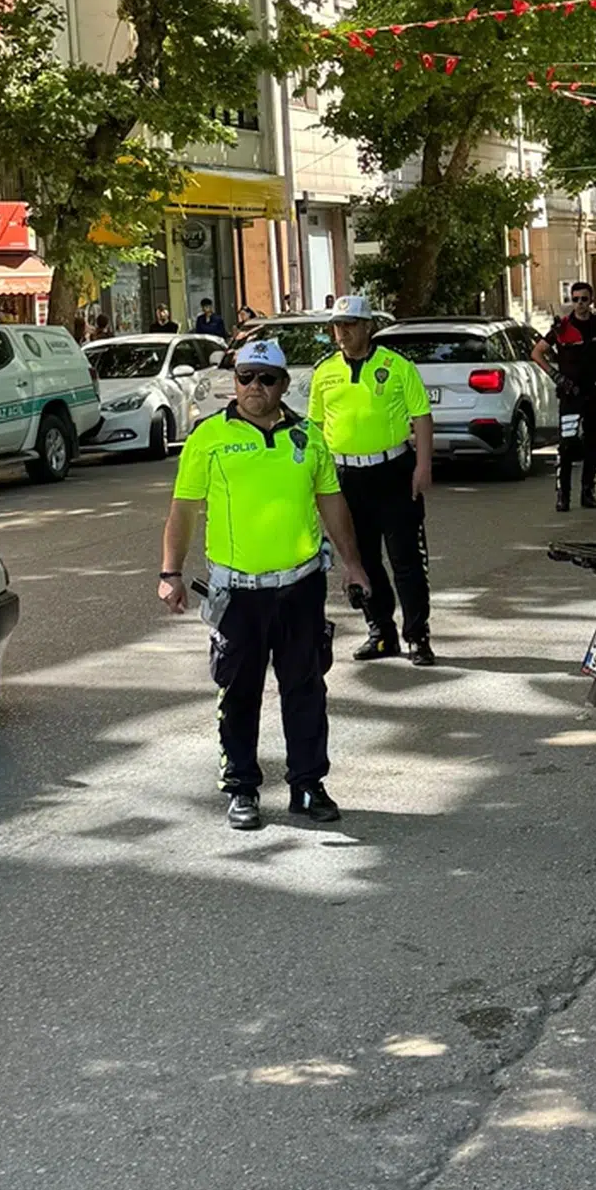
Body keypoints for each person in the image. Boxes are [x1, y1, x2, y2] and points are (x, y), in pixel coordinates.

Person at [158, 338, 370, 831]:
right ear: (234, 382)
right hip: (237, 592)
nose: (255, 386)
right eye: (245, 376)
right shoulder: (208, 438)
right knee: (237, 691)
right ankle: (242, 788)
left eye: (266, 378)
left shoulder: (309, 437)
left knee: (305, 688)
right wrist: (170, 572)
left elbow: (332, 503)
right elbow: (183, 510)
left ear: (283, 385)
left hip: (300, 586)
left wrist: (353, 564)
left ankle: (308, 783)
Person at [308, 294, 438, 666]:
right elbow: (316, 427)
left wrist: (423, 465)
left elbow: (422, 416)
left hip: (393, 471)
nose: (342, 332)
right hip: (346, 476)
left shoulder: (396, 366)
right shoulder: (325, 372)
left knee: (406, 559)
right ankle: (381, 631)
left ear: (368, 327)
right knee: (361, 558)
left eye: (350, 325)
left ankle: (418, 635)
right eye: (337, 325)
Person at [533, 283, 596, 512]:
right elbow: (536, 352)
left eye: (584, 299)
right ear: (571, 300)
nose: (580, 304)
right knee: (566, 445)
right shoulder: (562, 327)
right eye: (575, 299)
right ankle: (563, 495)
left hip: (595, 391)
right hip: (570, 393)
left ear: (591, 300)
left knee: (593, 444)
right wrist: (556, 376)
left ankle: (588, 492)